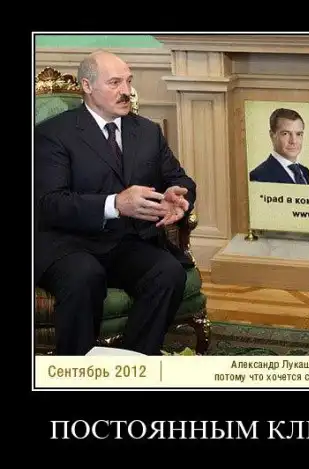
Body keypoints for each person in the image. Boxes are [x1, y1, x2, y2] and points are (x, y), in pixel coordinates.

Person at [34, 50, 197, 356]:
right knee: (85, 276)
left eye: (129, 81)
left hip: (127, 241)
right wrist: (115, 204)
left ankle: (132, 362)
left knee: (168, 272)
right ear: (87, 86)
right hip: (69, 243)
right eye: (115, 83)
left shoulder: (147, 131)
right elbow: (50, 204)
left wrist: (179, 196)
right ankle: (75, 369)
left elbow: (180, 180)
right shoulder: (53, 134)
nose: (126, 91)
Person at [248, 108, 309, 185]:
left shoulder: (305, 172)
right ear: (272, 135)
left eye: (298, 134)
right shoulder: (259, 176)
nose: (293, 141)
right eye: (285, 133)